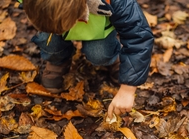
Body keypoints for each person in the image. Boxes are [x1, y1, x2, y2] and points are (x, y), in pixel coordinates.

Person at [19, 0, 154, 119]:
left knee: (100, 54)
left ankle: (112, 58)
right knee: (47, 39)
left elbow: (138, 38)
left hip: (96, 26)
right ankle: (57, 60)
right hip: (52, 16)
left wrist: (127, 89)